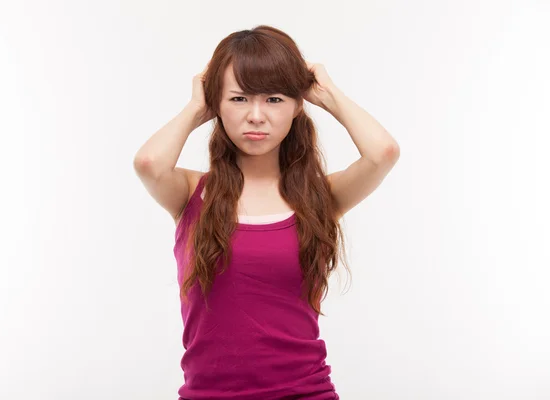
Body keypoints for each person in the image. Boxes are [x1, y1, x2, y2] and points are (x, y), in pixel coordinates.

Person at [134, 25, 400, 400]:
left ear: (297, 105)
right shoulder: (190, 193)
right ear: (217, 106)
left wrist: (329, 96)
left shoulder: (320, 197)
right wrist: (197, 107)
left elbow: (383, 153)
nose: (256, 116)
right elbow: (147, 163)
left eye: (274, 99)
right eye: (239, 99)